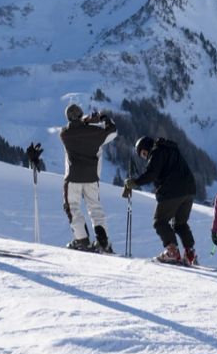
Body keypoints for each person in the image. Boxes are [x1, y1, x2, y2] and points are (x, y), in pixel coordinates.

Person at [125, 136, 198, 265]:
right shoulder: (171, 149)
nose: (144, 157)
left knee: (160, 222)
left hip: (172, 190)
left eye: (143, 153)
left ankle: (172, 252)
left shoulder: (157, 151)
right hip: (189, 190)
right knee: (180, 223)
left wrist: (135, 182)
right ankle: (190, 252)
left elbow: (151, 173)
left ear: (146, 147)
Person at [60, 104, 117, 253]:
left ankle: (82, 240)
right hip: (92, 176)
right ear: (81, 115)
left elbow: (74, 128)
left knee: (72, 207)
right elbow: (113, 132)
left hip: (73, 178)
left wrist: (84, 121)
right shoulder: (96, 132)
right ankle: (103, 243)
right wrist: (103, 118)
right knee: (95, 208)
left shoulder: (64, 134)